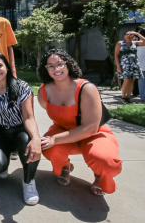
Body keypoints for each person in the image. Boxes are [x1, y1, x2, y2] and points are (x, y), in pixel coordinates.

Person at [37, 49, 122, 196]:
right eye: (50, 66)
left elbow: (90, 128)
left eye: (59, 64)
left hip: (94, 133)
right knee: (48, 147)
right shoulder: (44, 91)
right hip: (63, 130)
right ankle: (65, 166)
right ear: (46, 69)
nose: (56, 69)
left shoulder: (86, 88)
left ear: (67, 64)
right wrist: (53, 138)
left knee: (105, 161)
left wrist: (55, 139)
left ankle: (99, 175)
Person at [0, 51, 42, 205]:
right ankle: (5, 156)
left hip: (19, 130)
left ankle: (29, 180)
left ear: (7, 67)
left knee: (29, 144)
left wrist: (36, 138)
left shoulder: (21, 87)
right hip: (0, 132)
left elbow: (29, 118)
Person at [115, 31, 143, 103]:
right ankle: (123, 97)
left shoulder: (135, 43)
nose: (129, 36)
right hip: (125, 65)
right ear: (124, 36)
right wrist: (118, 66)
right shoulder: (120, 43)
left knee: (132, 81)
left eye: (131, 35)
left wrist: (138, 34)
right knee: (126, 81)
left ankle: (128, 97)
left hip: (134, 64)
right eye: (127, 34)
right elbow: (116, 55)